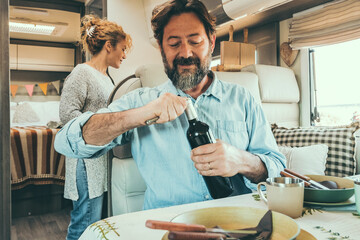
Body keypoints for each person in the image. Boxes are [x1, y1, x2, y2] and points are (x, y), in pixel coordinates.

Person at [55, 0, 285, 212]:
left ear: (212, 41)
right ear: (161, 48)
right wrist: (140, 115)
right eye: (174, 44)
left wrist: (241, 160)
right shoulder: (140, 101)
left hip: (239, 225)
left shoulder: (243, 99)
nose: (185, 53)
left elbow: (276, 168)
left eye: (195, 41)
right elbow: (67, 142)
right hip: (168, 229)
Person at [59, 15, 132, 240]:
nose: (125, 54)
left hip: (100, 159)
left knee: (96, 224)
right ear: (108, 46)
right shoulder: (82, 72)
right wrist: (102, 125)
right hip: (86, 162)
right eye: (122, 48)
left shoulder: (106, 78)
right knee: (84, 221)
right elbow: (66, 116)